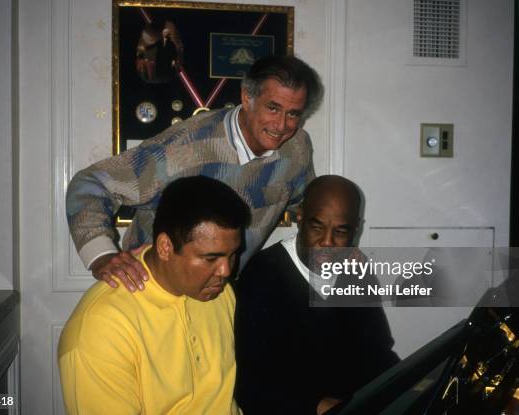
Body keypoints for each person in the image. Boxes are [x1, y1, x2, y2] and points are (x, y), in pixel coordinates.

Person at [66, 55, 323, 292]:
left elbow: (310, 207)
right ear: (247, 97)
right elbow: (90, 185)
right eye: (273, 108)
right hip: (149, 291)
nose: (282, 125)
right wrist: (101, 255)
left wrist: (340, 258)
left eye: (293, 114)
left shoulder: (296, 148)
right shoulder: (184, 148)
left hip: (219, 295)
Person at [58, 176, 250, 414]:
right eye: (211, 258)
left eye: (232, 255)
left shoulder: (219, 293)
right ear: (165, 247)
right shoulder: (100, 328)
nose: (226, 271)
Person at [234, 175, 400, 415]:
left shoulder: (356, 274)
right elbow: (249, 383)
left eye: (341, 232)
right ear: (299, 218)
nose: (327, 242)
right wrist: (315, 406)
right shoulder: (262, 277)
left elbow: (377, 352)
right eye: (317, 227)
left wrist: (407, 386)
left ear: (356, 229)